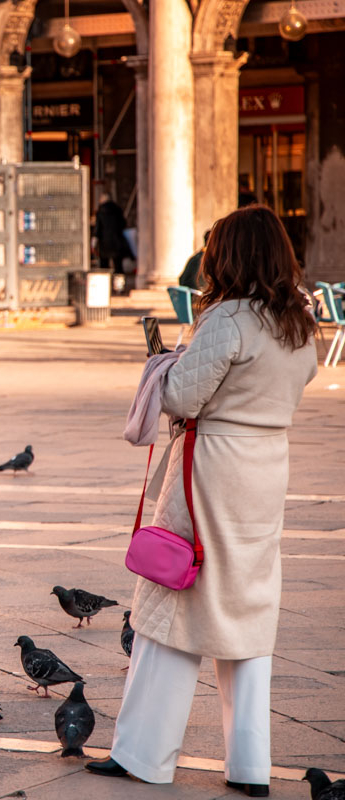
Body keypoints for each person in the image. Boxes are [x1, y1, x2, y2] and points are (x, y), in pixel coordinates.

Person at [86, 205, 318, 797]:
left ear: (231, 255)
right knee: (245, 610)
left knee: (174, 599)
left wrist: (164, 364)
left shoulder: (227, 318)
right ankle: (249, 767)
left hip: (211, 467)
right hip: (265, 469)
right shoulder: (296, 321)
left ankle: (143, 753)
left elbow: (185, 397)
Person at [94, 193, 128, 275]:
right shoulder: (117, 209)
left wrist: (94, 242)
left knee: (104, 266)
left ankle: (105, 285)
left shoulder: (100, 211)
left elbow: (98, 228)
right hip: (117, 241)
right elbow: (123, 224)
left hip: (105, 242)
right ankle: (119, 286)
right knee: (118, 267)